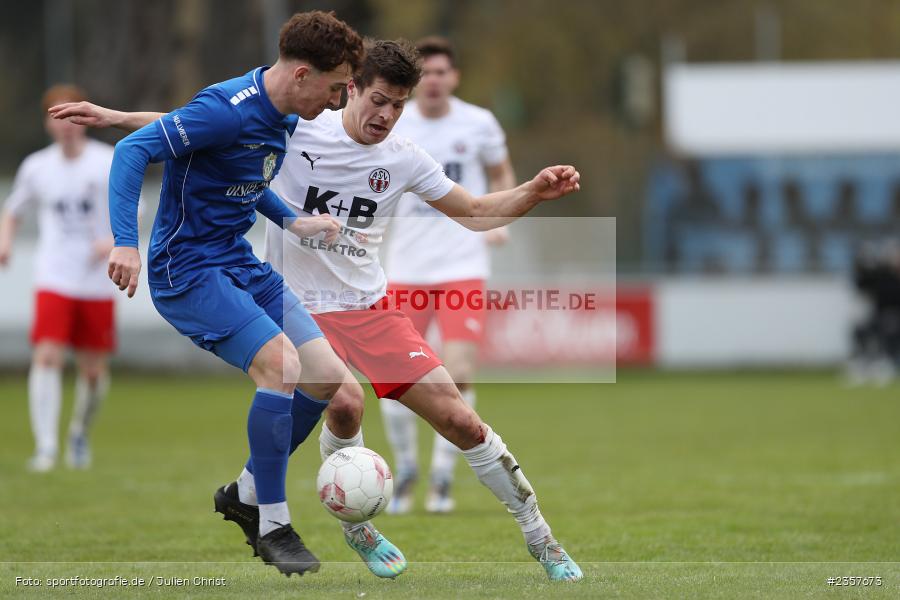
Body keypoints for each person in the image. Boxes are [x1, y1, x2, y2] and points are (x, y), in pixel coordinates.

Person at [50, 39, 584, 582]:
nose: (387, 115)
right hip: (293, 299)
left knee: (460, 420)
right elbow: (196, 126)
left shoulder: (405, 157)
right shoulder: (303, 122)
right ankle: (355, 528)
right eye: (379, 100)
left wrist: (534, 192)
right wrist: (116, 117)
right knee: (345, 402)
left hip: (368, 309)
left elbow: (473, 213)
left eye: (399, 105)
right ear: (350, 88)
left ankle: (541, 536)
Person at [57, 11, 372, 578]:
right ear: (302, 74)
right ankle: (272, 522)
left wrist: (291, 220)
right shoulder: (229, 106)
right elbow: (134, 152)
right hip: (187, 270)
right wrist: (126, 243)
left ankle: (246, 491)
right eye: (335, 88)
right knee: (281, 367)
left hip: (237, 262)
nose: (337, 101)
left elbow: (242, 170)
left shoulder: (283, 112)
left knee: (327, 378)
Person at [380, 36, 516, 515]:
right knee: (397, 377)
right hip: (405, 268)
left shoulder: (478, 123)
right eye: (427, 73)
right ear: (417, 81)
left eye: (442, 72)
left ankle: (441, 476)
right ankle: (405, 470)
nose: (434, 81)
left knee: (456, 373)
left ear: (453, 77)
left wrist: (497, 221)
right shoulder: (394, 122)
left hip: (463, 267)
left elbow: (501, 176)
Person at [0, 84, 116, 472]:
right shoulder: (37, 166)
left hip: (98, 279)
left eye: (72, 118)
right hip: (55, 275)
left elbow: (133, 205)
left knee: (94, 371)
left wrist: (113, 239)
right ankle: (46, 448)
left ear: (84, 119)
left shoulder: (108, 160)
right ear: (49, 124)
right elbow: (13, 209)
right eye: (58, 119)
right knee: (47, 355)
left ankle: (79, 432)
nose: (67, 126)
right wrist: (6, 242)